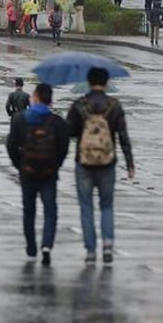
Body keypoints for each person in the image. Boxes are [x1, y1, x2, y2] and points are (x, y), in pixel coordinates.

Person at [66, 67, 136, 264]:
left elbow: (69, 132)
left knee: (86, 207)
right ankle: (107, 245)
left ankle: (90, 251)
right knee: (106, 205)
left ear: (89, 82)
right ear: (106, 83)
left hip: (84, 163)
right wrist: (130, 163)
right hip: (107, 163)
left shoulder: (80, 105)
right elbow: (123, 137)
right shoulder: (114, 105)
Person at [6, 83, 70, 265]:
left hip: (27, 171)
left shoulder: (19, 119)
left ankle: (31, 246)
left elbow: (11, 145)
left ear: (34, 97)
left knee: (29, 210)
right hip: (49, 173)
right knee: (50, 210)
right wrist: (55, 166)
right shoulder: (57, 122)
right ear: (50, 100)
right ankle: (47, 245)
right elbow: (63, 148)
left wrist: (20, 165)